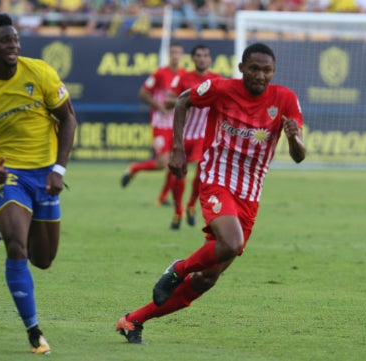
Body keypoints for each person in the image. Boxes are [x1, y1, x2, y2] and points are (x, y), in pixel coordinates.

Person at [116, 42, 306, 344]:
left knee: (207, 279)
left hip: (249, 194)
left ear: (273, 72)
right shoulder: (221, 89)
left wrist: (295, 139)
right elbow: (181, 101)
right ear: (242, 67)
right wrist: (178, 149)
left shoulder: (284, 99)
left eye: (266, 70)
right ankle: (178, 269)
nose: (260, 75)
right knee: (231, 243)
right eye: (254, 68)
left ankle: (133, 320)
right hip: (216, 179)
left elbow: (299, 155)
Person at [0, 13, 77, 354]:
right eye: (6, 41)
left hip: (46, 175)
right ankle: (34, 331)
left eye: (16, 39)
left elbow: (68, 118)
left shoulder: (39, 71)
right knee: (16, 248)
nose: (14, 45)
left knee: (43, 260)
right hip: (9, 176)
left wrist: (59, 170)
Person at [121, 43, 185, 207]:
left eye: (179, 52)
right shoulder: (160, 73)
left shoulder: (184, 75)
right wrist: (159, 107)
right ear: (169, 55)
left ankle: (162, 197)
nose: (176, 55)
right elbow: (143, 93)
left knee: (176, 163)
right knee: (162, 163)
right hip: (160, 124)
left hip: (176, 125)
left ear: (183, 56)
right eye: (173, 52)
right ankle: (134, 168)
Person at [165, 44, 222, 229]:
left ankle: (191, 205)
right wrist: (189, 100)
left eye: (206, 55)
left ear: (210, 59)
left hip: (204, 136)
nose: (202, 59)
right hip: (182, 135)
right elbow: (168, 101)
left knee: (201, 170)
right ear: (193, 59)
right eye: (199, 55)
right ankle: (177, 211)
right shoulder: (183, 78)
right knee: (177, 176)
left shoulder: (217, 80)